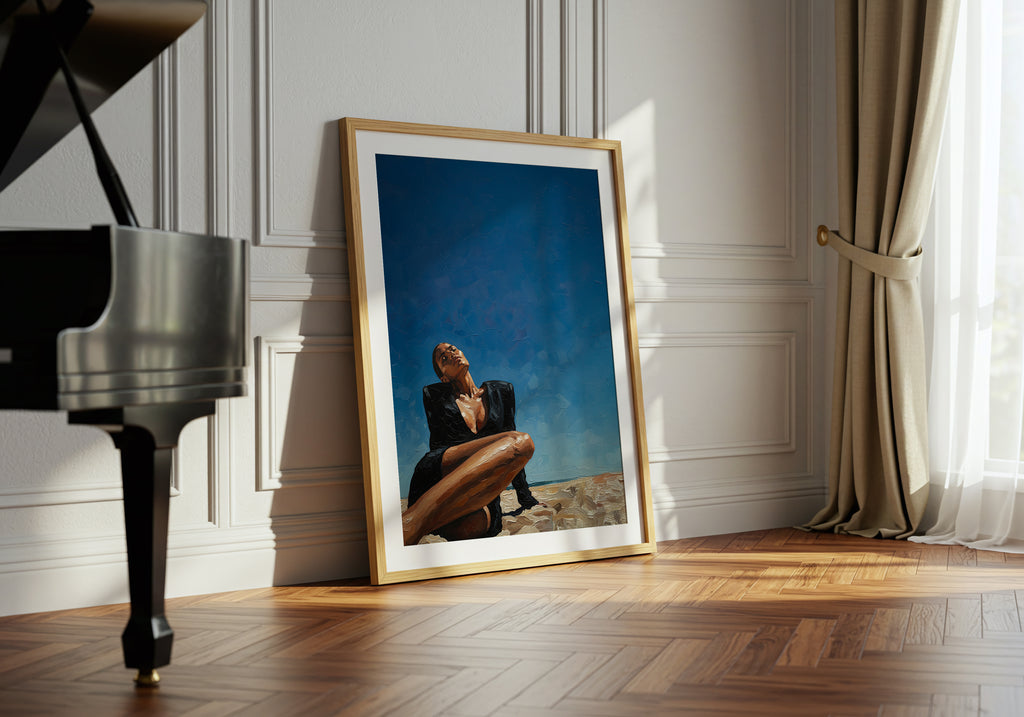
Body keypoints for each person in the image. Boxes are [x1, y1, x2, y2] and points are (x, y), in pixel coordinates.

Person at [403, 342, 542, 545]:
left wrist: (525, 497)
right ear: (444, 377)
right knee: (519, 442)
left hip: (477, 490)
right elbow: (438, 449)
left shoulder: (501, 392)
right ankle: (410, 523)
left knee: (477, 523)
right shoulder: (436, 396)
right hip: (440, 473)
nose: (451, 354)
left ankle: (421, 523)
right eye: (444, 358)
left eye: (452, 349)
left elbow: (511, 461)